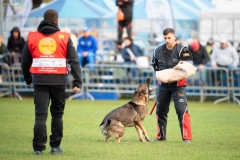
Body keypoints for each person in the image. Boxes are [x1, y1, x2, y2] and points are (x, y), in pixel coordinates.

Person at [21, 9, 82, 155]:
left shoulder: (32, 37)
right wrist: (77, 82)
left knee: (40, 116)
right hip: (58, 81)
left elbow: (24, 61)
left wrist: (28, 79)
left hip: (39, 81)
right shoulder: (64, 37)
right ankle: (55, 147)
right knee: (57, 114)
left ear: (43, 20)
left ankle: (38, 149)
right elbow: (74, 61)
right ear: (57, 21)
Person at [151, 28, 193, 142]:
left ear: (174, 37)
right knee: (160, 111)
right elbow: (154, 65)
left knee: (182, 111)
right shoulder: (157, 51)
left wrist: (174, 74)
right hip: (163, 85)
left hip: (178, 86)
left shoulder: (183, 50)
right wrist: (164, 75)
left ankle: (186, 138)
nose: (167, 40)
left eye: (169, 38)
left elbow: (189, 67)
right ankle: (161, 137)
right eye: (165, 38)